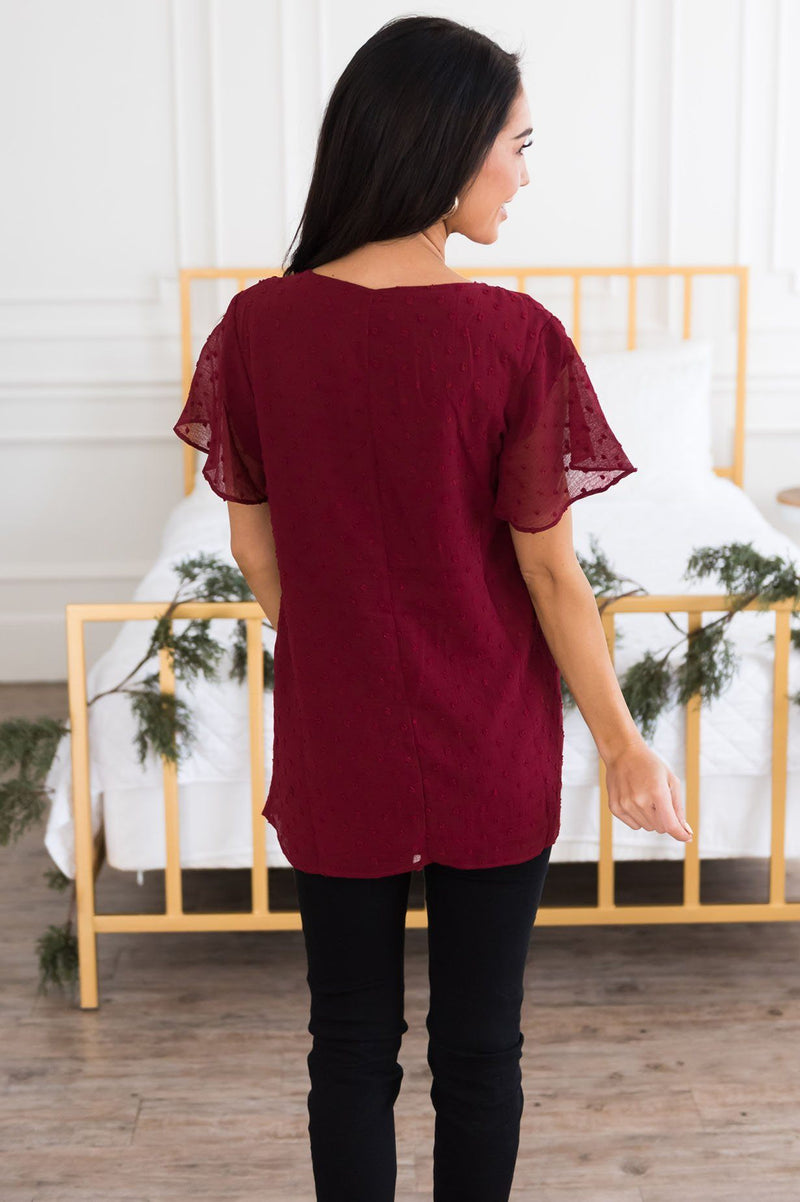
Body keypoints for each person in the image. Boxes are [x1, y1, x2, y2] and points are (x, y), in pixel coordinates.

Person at [173, 14, 693, 1201]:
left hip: (337, 739)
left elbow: (253, 545)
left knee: (348, 1043)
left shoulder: (257, 327)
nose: (524, 174)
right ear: (447, 146)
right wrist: (620, 741)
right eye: (517, 144)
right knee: (479, 1049)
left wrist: (343, 643)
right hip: (491, 740)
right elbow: (550, 574)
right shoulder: (511, 337)